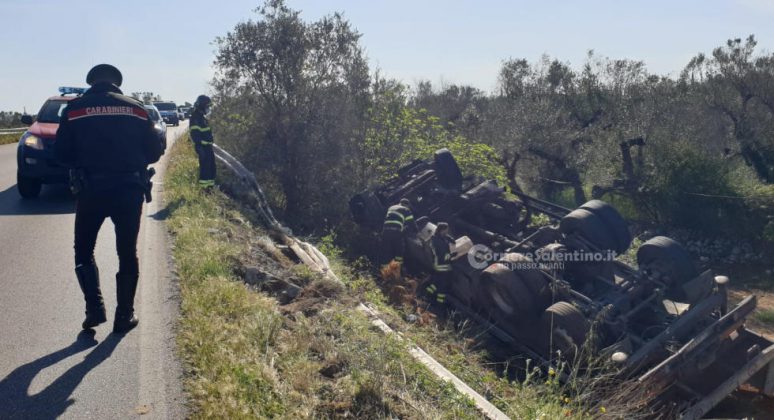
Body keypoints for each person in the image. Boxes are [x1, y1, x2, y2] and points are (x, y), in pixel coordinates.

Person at [55, 64, 162, 334]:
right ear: (117, 83)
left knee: (83, 250)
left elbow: (61, 153)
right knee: (127, 253)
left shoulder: (75, 109)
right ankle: (123, 316)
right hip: (129, 189)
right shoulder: (137, 109)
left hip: (91, 190)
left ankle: (94, 308)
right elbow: (153, 151)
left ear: (92, 83)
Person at [424, 222, 455, 306]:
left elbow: (446, 237)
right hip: (441, 265)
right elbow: (442, 256)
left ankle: (426, 295)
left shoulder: (438, 237)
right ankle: (438, 305)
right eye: (446, 230)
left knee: (436, 282)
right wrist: (452, 255)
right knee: (443, 286)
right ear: (442, 230)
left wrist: (451, 239)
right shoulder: (438, 242)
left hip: (441, 265)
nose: (447, 232)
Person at [189, 95, 216, 189]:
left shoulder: (202, 117)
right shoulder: (195, 117)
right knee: (205, 170)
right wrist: (199, 148)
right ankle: (204, 190)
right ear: (202, 106)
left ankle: (210, 189)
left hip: (208, 147)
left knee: (212, 169)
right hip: (202, 148)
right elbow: (195, 135)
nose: (208, 108)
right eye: (207, 106)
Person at [380, 198, 417, 265]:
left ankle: (384, 270)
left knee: (386, 252)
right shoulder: (405, 209)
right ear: (406, 205)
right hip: (395, 232)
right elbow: (411, 223)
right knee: (399, 252)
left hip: (385, 232)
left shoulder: (391, 207)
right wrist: (416, 230)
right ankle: (397, 268)